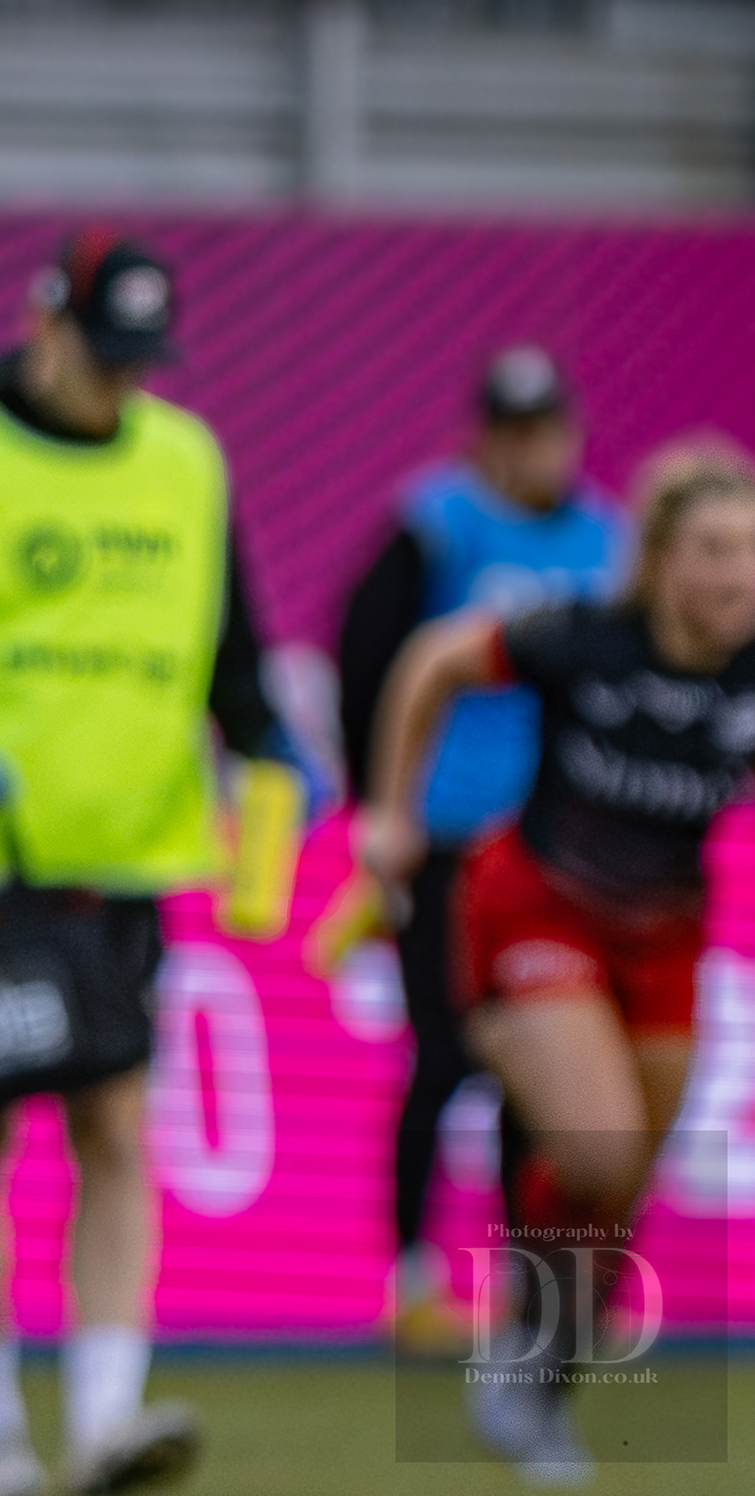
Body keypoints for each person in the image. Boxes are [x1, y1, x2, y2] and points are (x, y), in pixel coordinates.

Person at [0, 231, 305, 1496]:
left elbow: (229, 647)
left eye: (140, 359)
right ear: (42, 323)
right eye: (104, 353)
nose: (122, 381)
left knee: (113, 1125)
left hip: (126, 857)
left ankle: (105, 1414)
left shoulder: (186, 458)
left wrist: (269, 744)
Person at [360, 438, 755, 1481]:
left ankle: (539, 1376)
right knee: (598, 1152)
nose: (738, 576)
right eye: (715, 550)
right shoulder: (585, 638)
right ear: (662, 559)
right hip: (535, 910)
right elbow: (433, 662)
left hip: (666, 935)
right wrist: (393, 811)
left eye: (752, 553)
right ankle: (521, 1309)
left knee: (619, 1197)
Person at [337, 346, 628, 1350]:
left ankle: (524, 1280)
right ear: (485, 436)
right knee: (444, 1048)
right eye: (514, 430)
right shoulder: (438, 522)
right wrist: (384, 807)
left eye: (548, 428)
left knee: (531, 1063)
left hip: (554, 847)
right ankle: (413, 1277)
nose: (534, 449)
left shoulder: (607, 541)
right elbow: (369, 657)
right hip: (447, 831)